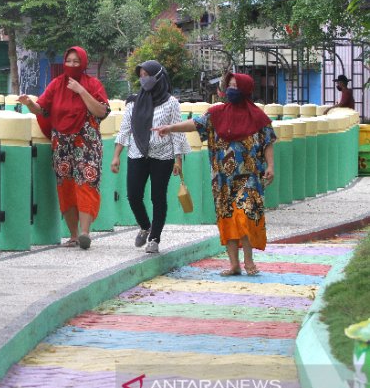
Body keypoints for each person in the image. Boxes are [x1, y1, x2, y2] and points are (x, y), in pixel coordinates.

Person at [153, 72, 275, 276]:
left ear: (245, 90)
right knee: (227, 218)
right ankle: (234, 264)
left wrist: (271, 166)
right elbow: (195, 124)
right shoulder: (216, 113)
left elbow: (268, 142)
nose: (231, 89)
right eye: (230, 85)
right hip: (222, 180)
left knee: (244, 216)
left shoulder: (258, 117)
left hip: (249, 177)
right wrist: (171, 128)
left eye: (236, 86)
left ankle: (249, 262)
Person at [18, 46, 109, 250]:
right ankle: (74, 235)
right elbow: (41, 109)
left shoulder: (93, 84)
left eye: (76, 62)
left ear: (83, 63)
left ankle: (85, 232)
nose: (72, 65)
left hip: (87, 143)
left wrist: (81, 91)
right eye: (69, 61)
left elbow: (101, 111)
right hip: (62, 144)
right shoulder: (56, 84)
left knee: (87, 181)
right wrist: (29, 104)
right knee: (66, 187)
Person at [110, 60, 190, 254]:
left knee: (158, 197)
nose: (143, 79)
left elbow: (178, 132)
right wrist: (116, 156)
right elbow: (125, 129)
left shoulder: (171, 103)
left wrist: (178, 160)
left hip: (163, 156)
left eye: (147, 75)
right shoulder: (133, 102)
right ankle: (145, 226)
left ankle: (154, 238)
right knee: (134, 195)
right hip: (137, 153)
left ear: (158, 77)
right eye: (141, 75)